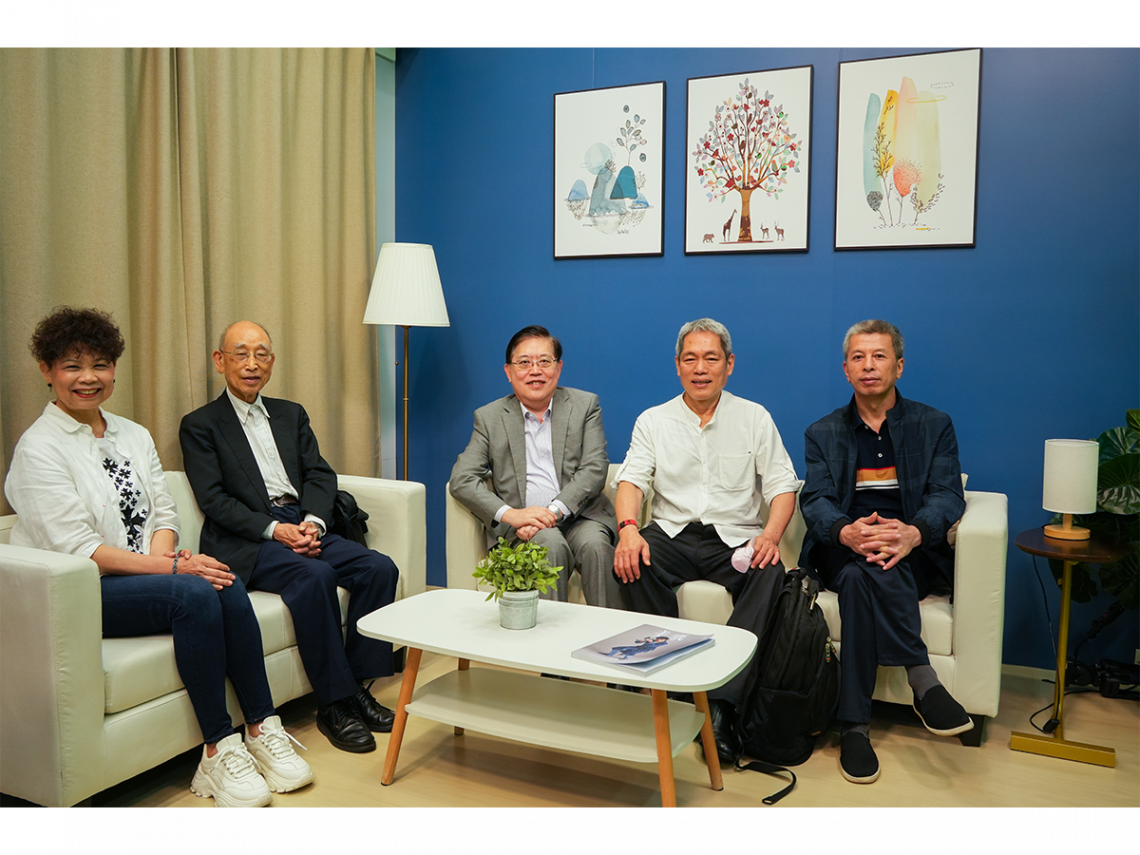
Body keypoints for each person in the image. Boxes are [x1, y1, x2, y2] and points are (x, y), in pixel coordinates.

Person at [4, 307, 311, 808]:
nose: (88, 378)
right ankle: (217, 748)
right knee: (195, 589)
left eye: (100, 365)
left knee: (221, 577)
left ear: (114, 369)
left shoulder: (132, 433)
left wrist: (168, 557)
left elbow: (161, 516)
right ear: (47, 371)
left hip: (143, 576)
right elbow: (83, 551)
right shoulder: (39, 449)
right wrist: (173, 569)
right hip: (81, 592)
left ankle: (261, 726)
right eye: (71, 366)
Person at [179, 321, 399, 754]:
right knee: (314, 576)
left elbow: (320, 472)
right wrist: (274, 529)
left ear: (272, 363)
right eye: (240, 353)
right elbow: (214, 500)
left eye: (261, 354)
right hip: (247, 540)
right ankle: (333, 704)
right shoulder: (200, 425)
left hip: (300, 522)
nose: (252, 364)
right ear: (219, 361)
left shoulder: (290, 413)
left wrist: (313, 523)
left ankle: (356, 686)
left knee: (377, 567)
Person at [612, 318, 801, 763]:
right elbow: (631, 482)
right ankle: (674, 686)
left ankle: (720, 704)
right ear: (677, 366)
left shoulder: (754, 417)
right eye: (690, 358)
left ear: (729, 364)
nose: (701, 368)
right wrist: (627, 530)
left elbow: (782, 486)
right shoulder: (653, 420)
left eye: (711, 358)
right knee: (630, 557)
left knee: (771, 571)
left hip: (734, 538)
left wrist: (770, 536)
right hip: (672, 534)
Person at [799, 319, 971, 785]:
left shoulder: (933, 424)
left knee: (861, 579)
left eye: (878, 356)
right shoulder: (823, 431)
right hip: (844, 545)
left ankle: (854, 726)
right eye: (858, 357)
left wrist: (913, 533)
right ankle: (923, 681)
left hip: (909, 549)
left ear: (898, 365)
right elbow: (814, 499)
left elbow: (946, 495)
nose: (868, 366)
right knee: (856, 566)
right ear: (845, 369)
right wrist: (844, 531)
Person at [450, 325, 621, 607]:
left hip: (581, 517)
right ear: (508, 372)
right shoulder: (489, 418)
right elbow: (462, 480)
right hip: (523, 527)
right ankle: (549, 646)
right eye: (524, 363)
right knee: (549, 544)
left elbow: (594, 468)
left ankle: (612, 640)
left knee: (596, 546)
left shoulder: (585, 405)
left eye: (544, 361)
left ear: (559, 367)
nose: (535, 370)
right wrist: (513, 515)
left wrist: (551, 513)